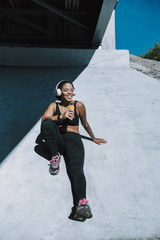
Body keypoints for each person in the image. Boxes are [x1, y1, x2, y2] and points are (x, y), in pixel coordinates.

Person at [41, 80, 107, 221]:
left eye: (71, 89)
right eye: (66, 90)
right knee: (47, 122)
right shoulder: (54, 105)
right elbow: (44, 120)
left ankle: (81, 204)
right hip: (58, 140)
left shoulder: (79, 105)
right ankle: (55, 156)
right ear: (59, 92)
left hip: (74, 140)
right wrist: (61, 117)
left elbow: (85, 123)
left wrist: (93, 138)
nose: (70, 92)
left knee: (76, 171)